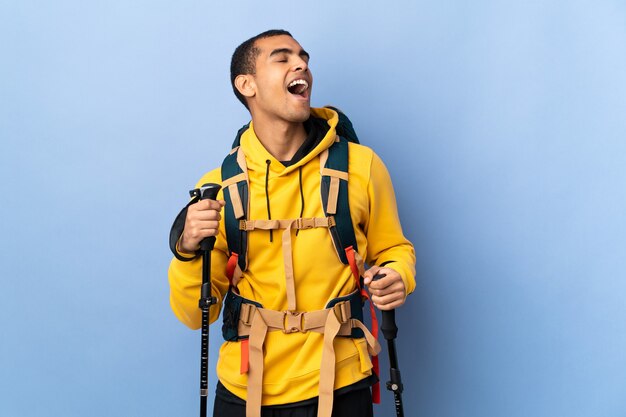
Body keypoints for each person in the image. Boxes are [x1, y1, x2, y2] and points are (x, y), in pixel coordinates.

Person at [168, 29, 416, 417]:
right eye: (282, 58)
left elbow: (394, 249)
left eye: (303, 58)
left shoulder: (362, 166)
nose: (301, 65)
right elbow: (194, 314)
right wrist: (185, 250)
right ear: (246, 84)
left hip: (342, 381)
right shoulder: (215, 189)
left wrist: (399, 274)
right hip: (243, 387)